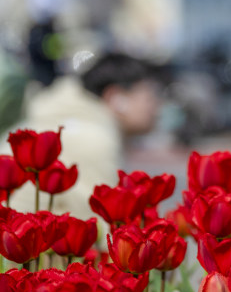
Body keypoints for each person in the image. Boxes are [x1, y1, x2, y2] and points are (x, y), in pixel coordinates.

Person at [1, 52, 162, 218]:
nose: (157, 107)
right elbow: (100, 221)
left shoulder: (59, 116)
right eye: (150, 97)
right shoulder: (94, 139)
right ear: (116, 97)